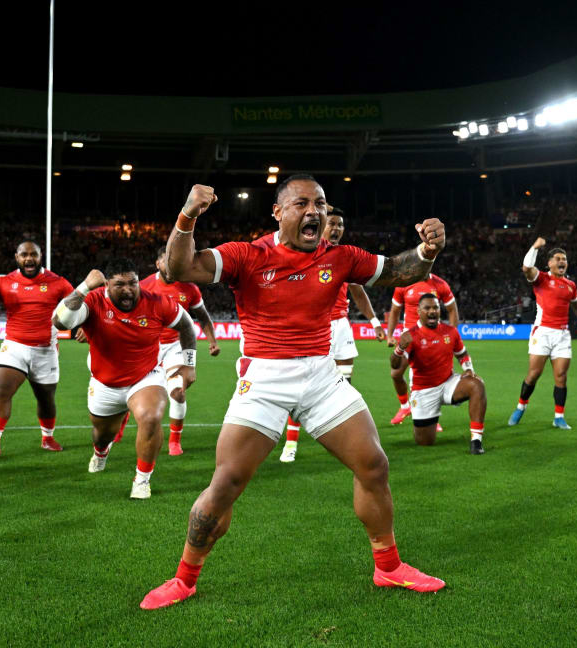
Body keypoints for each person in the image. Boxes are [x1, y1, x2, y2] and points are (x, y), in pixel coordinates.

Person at [140, 175, 447, 610]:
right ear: (278, 212)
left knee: (374, 465)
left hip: (320, 374)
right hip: (264, 377)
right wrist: (188, 214)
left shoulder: (340, 257)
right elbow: (177, 268)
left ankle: (388, 566)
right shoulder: (248, 255)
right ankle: (185, 578)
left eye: (320, 204)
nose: (314, 212)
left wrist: (428, 251)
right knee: (225, 483)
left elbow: (400, 270)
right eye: (301, 203)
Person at [53, 258, 196, 499]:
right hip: (105, 383)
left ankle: (142, 479)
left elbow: (186, 326)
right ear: (107, 284)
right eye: (120, 284)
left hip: (145, 376)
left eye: (133, 283)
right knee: (102, 435)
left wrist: (189, 364)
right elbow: (60, 322)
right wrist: (84, 286)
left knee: (151, 417)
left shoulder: (158, 302)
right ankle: (100, 452)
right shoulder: (94, 300)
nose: (128, 289)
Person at [278, 206, 387, 463]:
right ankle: (291, 444)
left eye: (341, 225)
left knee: (344, 387)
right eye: (332, 223)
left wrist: (374, 322)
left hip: (341, 326)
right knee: (302, 387)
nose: (337, 228)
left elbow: (359, 292)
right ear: (322, 225)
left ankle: (340, 438)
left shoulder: (344, 257)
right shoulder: (306, 253)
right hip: (315, 327)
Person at [0, 241, 73, 457]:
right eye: (24, 255)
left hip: (45, 350)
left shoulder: (58, 282)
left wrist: (86, 329)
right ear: (17, 257)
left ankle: (47, 438)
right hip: (14, 345)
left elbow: (78, 306)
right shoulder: (4, 282)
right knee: (3, 388)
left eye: (33, 254)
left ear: (40, 256)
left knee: (45, 399)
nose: (29, 259)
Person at [508, 237, 577, 430]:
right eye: (557, 258)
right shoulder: (541, 279)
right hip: (543, 333)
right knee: (534, 374)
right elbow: (526, 268)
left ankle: (558, 417)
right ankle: (521, 406)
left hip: (562, 335)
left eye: (564, 259)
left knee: (561, 376)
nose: (562, 261)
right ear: (549, 263)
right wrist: (534, 247)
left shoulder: (570, 285)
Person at [140, 247, 220, 456]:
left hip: (177, 346)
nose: (171, 264)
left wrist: (212, 341)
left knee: (177, 391)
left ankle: (174, 440)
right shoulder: (144, 286)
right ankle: (119, 426)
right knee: (133, 392)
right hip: (148, 347)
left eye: (175, 260)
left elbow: (202, 316)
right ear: (158, 263)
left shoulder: (189, 288)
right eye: (167, 260)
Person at [391, 294, 487, 454]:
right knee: (425, 442)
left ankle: (476, 441)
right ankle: (424, 417)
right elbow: (395, 365)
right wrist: (400, 347)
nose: (432, 311)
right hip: (424, 391)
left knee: (477, 385)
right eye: (427, 308)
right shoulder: (411, 335)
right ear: (418, 311)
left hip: (449, 383)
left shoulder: (450, 331)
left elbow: (462, 353)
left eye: (435, 307)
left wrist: (468, 369)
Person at [386, 273, 459, 430]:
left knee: (424, 378)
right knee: (396, 374)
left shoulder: (440, 284)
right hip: (410, 337)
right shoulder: (404, 283)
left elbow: (452, 310)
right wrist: (390, 335)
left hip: (431, 336)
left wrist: (452, 337)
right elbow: (394, 310)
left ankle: (430, 418)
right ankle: (405, 406)